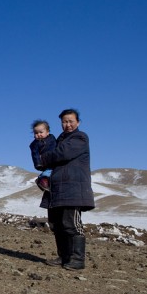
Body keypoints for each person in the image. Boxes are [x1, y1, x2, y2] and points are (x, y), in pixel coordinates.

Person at [33, 109, 94, 270]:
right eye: (64, 122)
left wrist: (43, 157)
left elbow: (62, 153)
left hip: (72, 188)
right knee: (56, 224)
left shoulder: (80, 138)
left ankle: (77, 259)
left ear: (78, 122)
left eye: (70, 121)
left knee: (71, 224)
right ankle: (64, 256)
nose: (67, 125)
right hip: (55, 189)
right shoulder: (57, 140)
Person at [29, 120, 57, 191]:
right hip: (45, 161)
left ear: (47, 132)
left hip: (55, 158)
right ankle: (42, 179)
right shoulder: (35, 144)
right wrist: (38, 164)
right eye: (36, 133)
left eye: (41, 132)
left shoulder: (52, 138)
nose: (38, 134)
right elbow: (35, 155)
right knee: (49, 171)